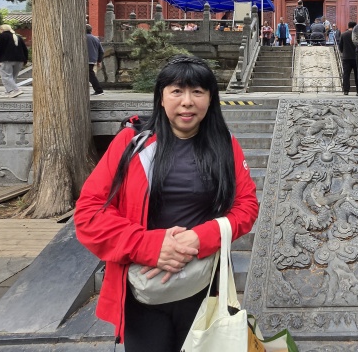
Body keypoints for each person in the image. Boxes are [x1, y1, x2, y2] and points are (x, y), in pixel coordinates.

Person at [74, 56, 258, 351]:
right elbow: (89, 212)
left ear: (211, 99)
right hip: (143, 289)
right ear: (161, 98)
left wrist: (200, 237)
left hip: (203, 286)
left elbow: (246, 207)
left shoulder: (224, 145)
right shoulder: (132, 142)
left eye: (197, 92)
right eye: (177, 91)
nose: (187, 102)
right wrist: (149, 245)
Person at [0, 24, 28, 98]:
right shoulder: (18, 37)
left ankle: (16, 90)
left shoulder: (0, 37)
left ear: (2, 30)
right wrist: (25, 60)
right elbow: (25, 49)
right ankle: (9, 91)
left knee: (6, 77)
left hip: (5, 60)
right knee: (12, 77)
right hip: (19, 60)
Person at [338, 21, 358, 95]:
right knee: (357, 74)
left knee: (346, 74)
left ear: (348, 26)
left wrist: (343, 52)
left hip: (346, 57)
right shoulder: (357, 35)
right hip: (356, 57)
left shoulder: (343, 34)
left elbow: (340, 46)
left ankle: (346, 90)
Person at [86, 24, 105, 96]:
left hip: (86, 58)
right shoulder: (96, 39)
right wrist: (99, 60)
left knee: (90, 75)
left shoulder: (82, 38)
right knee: (90, 74)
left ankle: (99, 90)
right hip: (93, 59)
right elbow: (101, 51)